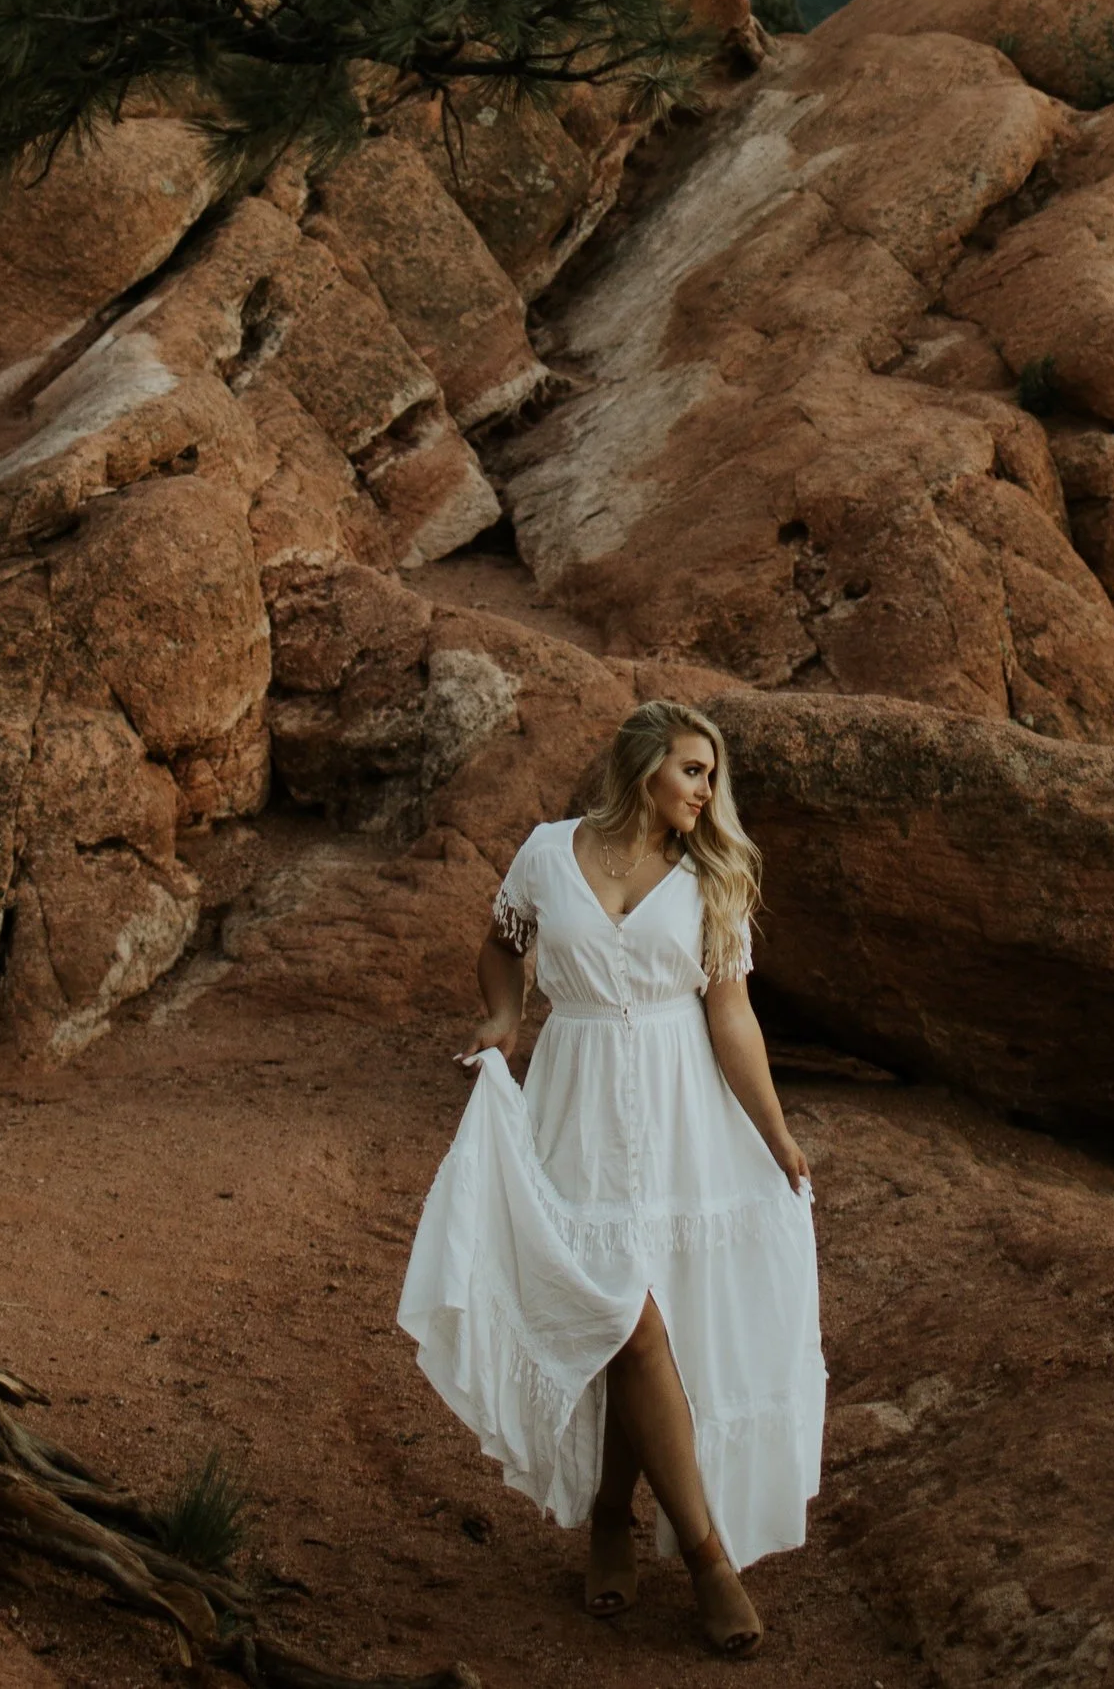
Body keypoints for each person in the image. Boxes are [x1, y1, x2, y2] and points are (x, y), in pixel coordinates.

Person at [396, 701, 824, 1659]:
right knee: (625, 1322)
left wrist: (777, 1134)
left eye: (712, 775)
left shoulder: (711, 874)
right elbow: (503, 945)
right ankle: (706, 1560)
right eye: (691, 770)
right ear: (644, 772)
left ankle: (611, 1517)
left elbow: (733, 1018)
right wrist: (503, 1021)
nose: (706, 791)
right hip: (577, 1115)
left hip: (685, 1122)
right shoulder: (547, 856)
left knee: (645, 1324)